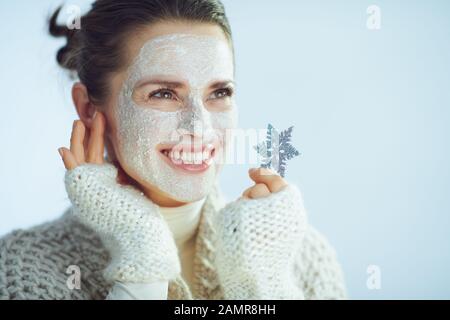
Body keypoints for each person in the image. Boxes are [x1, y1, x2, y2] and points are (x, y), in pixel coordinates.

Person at [0, 0, 347, 300]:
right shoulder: (22, 266)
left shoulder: (304, 259)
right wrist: (142, 255)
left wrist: (264, 285)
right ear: (89, 110)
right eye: (163, 93)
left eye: (220, 92)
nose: (200, 126)